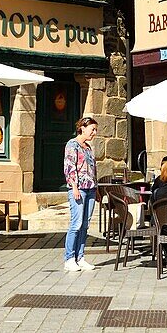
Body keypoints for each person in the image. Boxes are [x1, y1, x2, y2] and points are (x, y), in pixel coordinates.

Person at [63, 115, 99, 272]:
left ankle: (80, 257)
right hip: (79, 189)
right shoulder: (72, 145)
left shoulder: (88, 148)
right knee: (76, 223)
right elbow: (69, 167)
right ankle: (69, 258)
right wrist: (74, 187)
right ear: (82, 128)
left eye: (95, 130)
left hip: (91, 189)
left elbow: (93, 169)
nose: (94, 133)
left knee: (85, 224)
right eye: (92, 129)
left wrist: (96, 189)